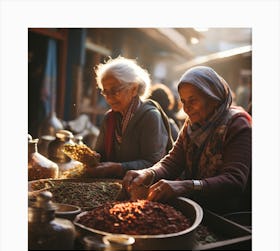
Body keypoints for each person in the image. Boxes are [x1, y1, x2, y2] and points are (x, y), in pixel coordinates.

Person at [123, 66, 252, 214]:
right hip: (198, 208)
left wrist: (187, 186)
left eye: (193, 100)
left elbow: (234, 181)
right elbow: (172, 162)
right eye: (183, 101)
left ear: (213, 98)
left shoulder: (237, 124)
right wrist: (148, 173)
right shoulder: (192, 124)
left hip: (229, 214)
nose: (187, 108)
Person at [86, 56, 173, 179]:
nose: (109, 97)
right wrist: (90, 159)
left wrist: (118, 168)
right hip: (112, 186)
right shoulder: (109, 118)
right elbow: (100, 156)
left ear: (134, 88)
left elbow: (155, 164)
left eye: (115, 91)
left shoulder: (150, 116)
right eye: (105, 92)